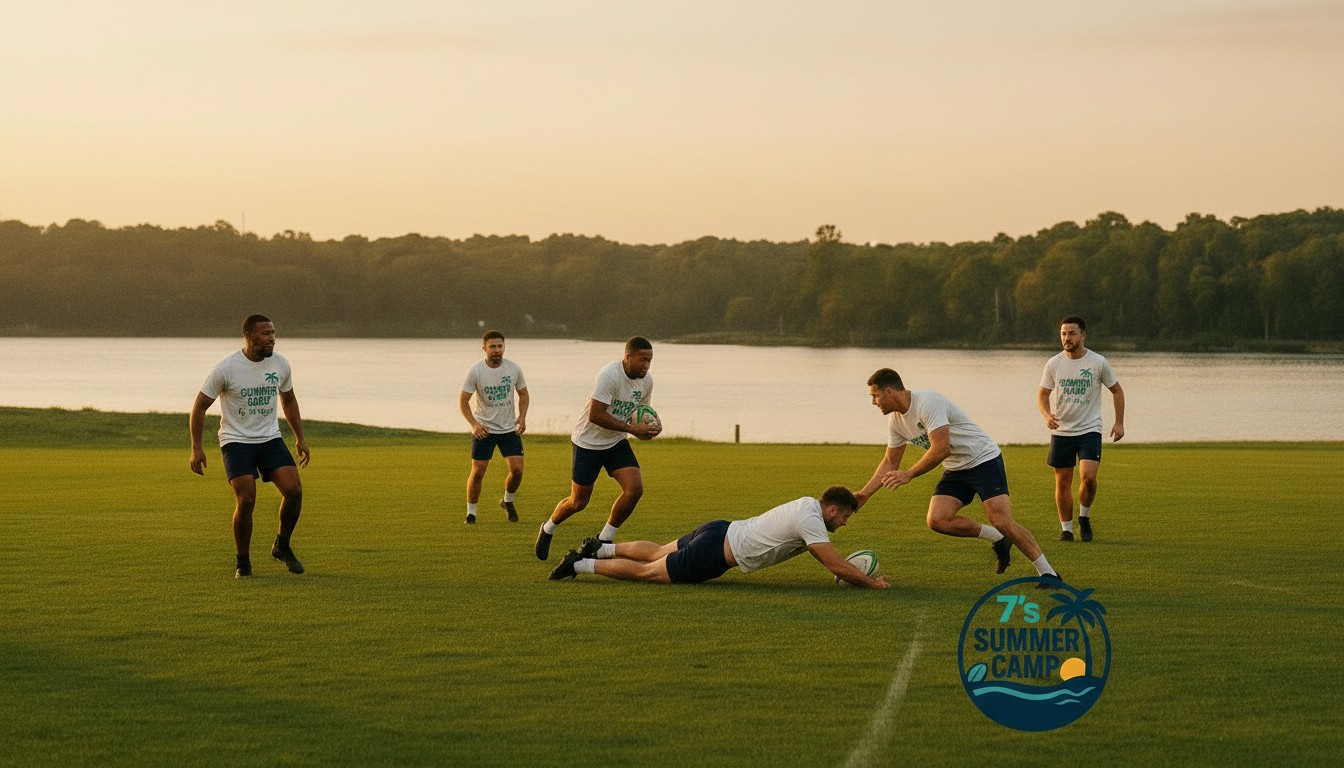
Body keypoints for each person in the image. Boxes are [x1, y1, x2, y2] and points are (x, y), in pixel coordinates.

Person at [857, 368, 1060, 584]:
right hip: (955, 468)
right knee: (937, 520)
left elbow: (941, 449)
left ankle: (1048, 573)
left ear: (889, 392)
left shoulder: (927, 403)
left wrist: (909, 474)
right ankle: (998, 538)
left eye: (874, 396)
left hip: (983, 460)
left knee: (1001, 520)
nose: (873, 402)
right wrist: (864, 494)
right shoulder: (896, 423)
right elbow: (890, 462)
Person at [548, 486, 890, 588]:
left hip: (719, 529)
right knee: (647, 573)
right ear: (831, 508)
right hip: (714, 554)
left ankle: (602, 547)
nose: (844, 523)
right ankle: (581, 564)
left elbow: (836, 561)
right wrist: (872, 584)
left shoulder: (807, 505)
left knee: (657, 552)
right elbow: (834, 564)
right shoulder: (812, 521)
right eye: (844, 517)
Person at [189, 314, 310, 579]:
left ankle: (282, 544)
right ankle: (243, 562)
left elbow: (288, 400)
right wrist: (196, 448)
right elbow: (199, 407)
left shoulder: (280, 364)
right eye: (266, 334)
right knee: (246, 500)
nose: (272, 339)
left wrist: (299, 437)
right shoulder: (226, 368)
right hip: (236, 440)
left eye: (274, 333)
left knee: (294, 490)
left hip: (270, 438)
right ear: (249, 335)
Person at [535, 336, 661, 561]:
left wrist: (650, 428)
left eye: (650, 360)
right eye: (642, 360)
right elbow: (595, 415)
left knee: (635, 489)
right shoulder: (609, 376)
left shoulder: (646, 381)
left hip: (616, 442)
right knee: (578, 502)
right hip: (588, 443)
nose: (646, 365)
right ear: (628, 357)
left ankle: (603, 541)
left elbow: (640, 413)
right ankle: (548, 528)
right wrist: (632, 429)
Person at [1037, 315, 1126, 542]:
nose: (1067, 338)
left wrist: (1119, 422)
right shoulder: (1054, 363)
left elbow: (1117, 391)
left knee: (1088, 478)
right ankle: (1066, 530)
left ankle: (1084, 516)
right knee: (1063, 481)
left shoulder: (1098, 362)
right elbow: (1043, 394)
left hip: (1089, 429)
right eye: (1064, 334)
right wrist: (1047, 415)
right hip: (1062, 431)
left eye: (1072, 333)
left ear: (1083, 335)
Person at [459, 329, 529, 524]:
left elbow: (523, 394)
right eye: (493, 347)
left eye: (500, 346)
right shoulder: (476, 371)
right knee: (478, 471)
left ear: (504, 347)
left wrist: (522, 418)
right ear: (484, 348)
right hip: (485, 430)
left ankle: (508, 501)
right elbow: (463, 401)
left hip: (508, 429)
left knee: (517, 470)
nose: (497, 350)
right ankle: (471, 514)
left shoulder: (514, 368)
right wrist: (474, 424)